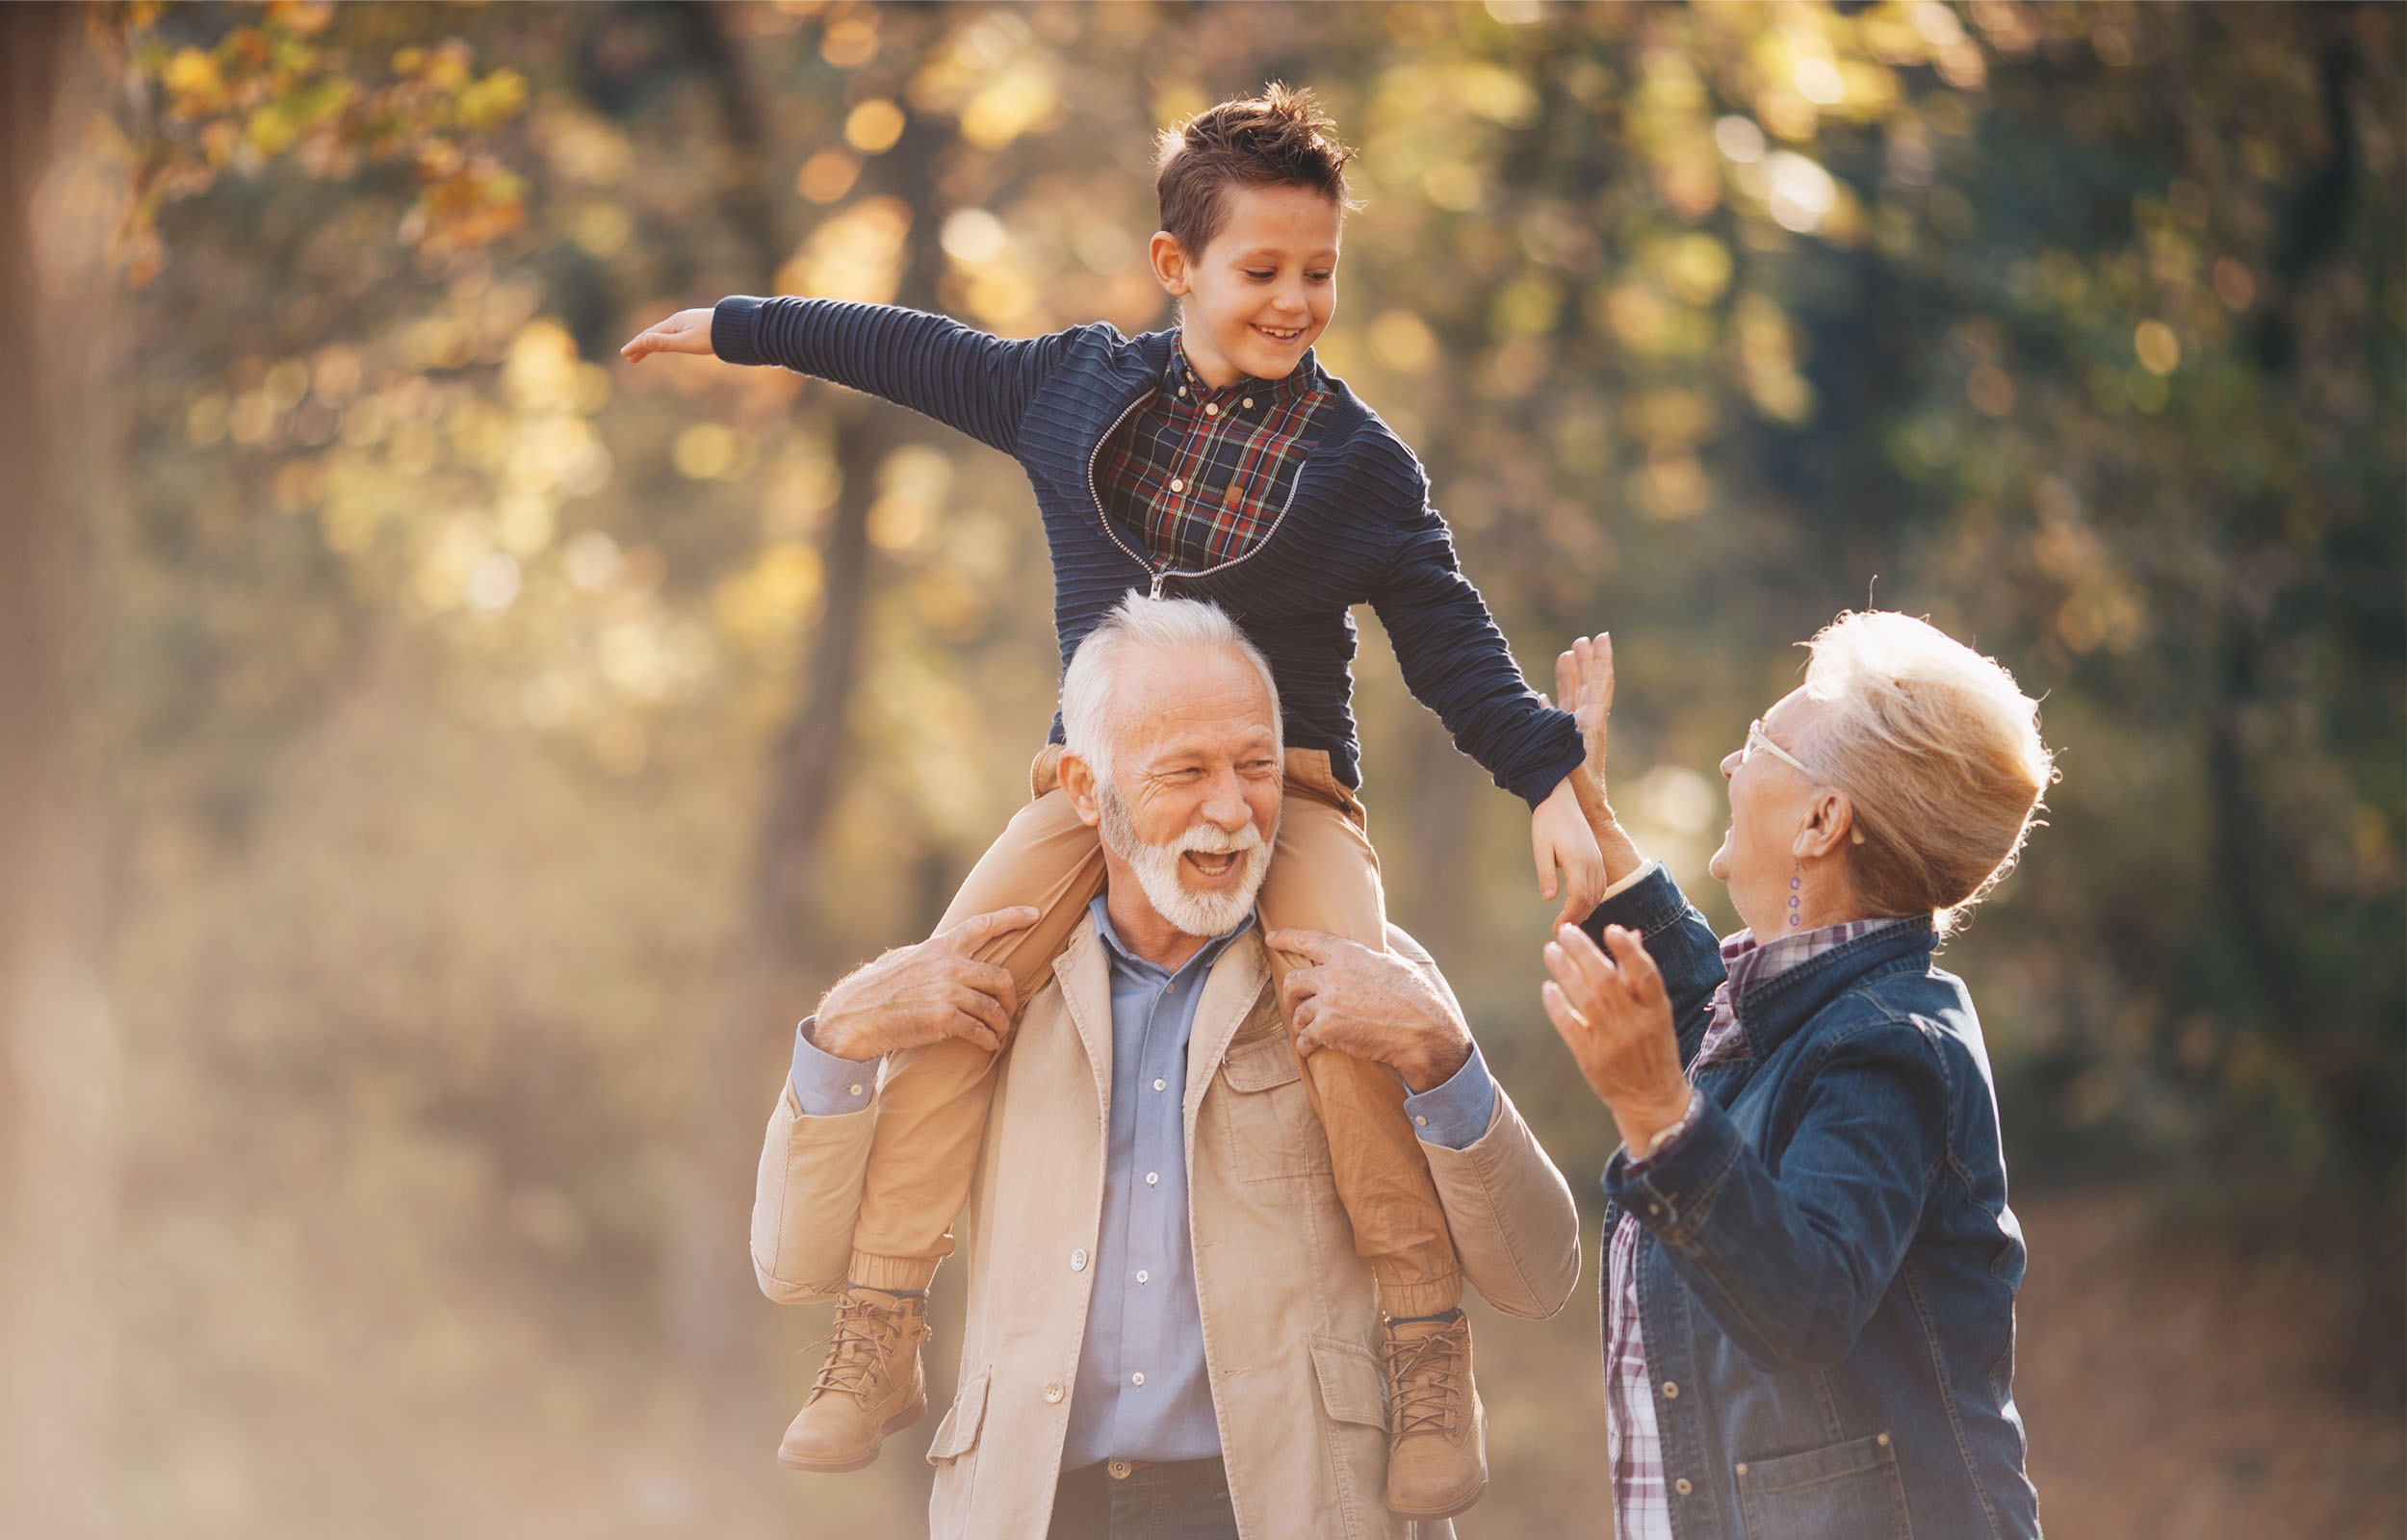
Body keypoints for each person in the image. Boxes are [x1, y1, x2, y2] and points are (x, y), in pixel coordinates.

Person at [626, 86, 1600, 1510]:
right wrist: (740, 323)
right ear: (1176, 268)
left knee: (1345, 1016)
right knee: (957, 992)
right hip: (1095, 788)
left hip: (1297, 793)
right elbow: (905, 349)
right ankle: (882, 1322)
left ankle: (1421, 1347)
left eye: (1319, 272)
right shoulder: (1070, 389)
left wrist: (1549, 776)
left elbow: (1450, 640)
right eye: (1261, 271)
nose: (1295, 301)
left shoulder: (1360, 468)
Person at [751, 596, 1580, 1539]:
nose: (1231, 809)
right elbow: (791, 1263)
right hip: (1032, 1509)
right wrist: (840, 1037)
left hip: (1288, 1507)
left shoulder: (1364, 973)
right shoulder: (992, 988)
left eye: (1256, 767)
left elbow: (1536, 1274)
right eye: (1185, 770)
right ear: (1083, 786)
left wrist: (1444, 1058)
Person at [1540, 616, 2052, 1539]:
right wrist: (1592, 808)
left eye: (1755, 744)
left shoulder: (1891, 1050)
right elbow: (1705, 1002)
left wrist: (1658, 1107)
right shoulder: (1799, 1015)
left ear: (1823, 821)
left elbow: (1807, 1303)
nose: (1733, 769)